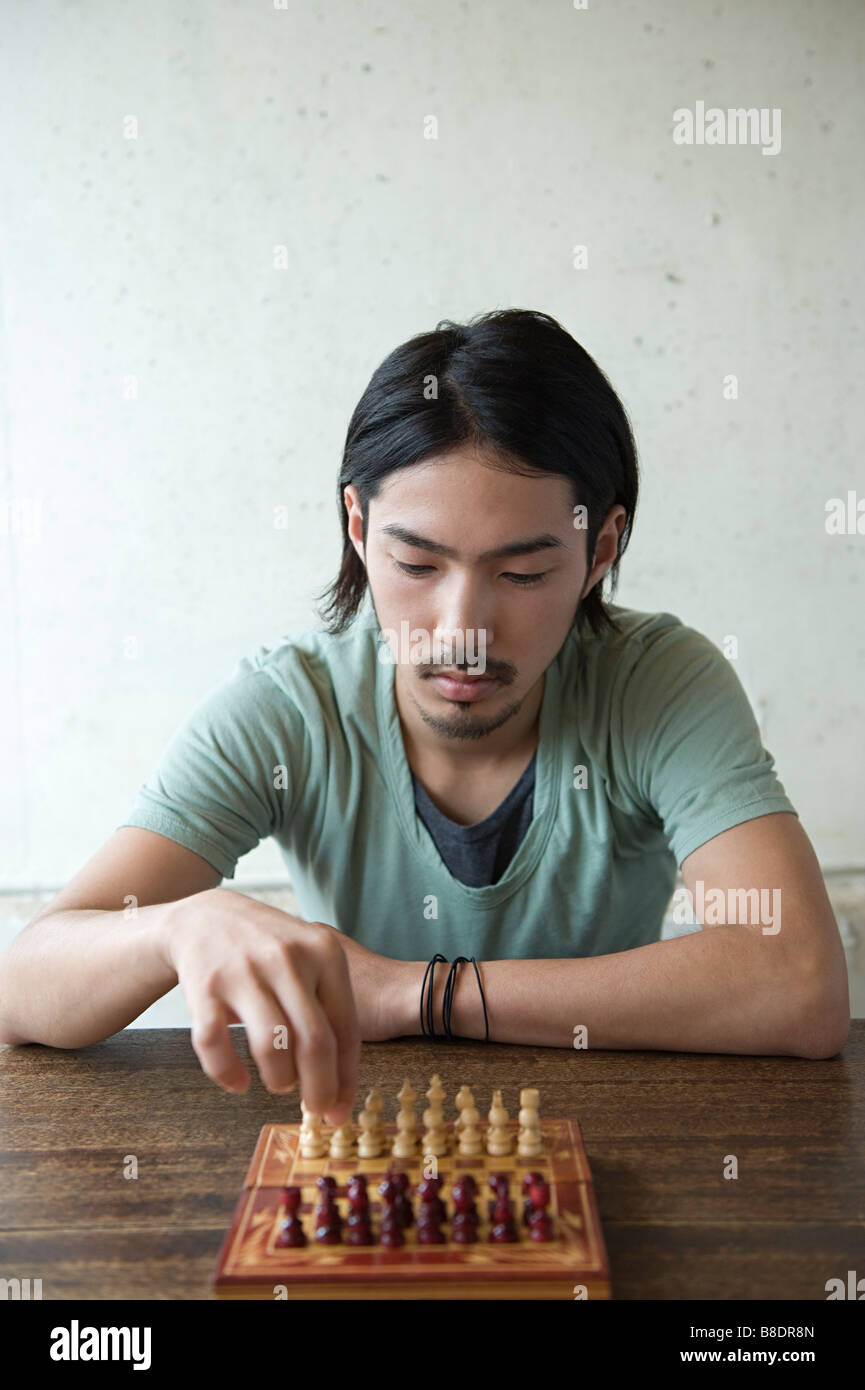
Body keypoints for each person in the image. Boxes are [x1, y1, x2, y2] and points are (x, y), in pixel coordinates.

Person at [0, 309, 849, 1123]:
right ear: (358, 528)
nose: (463, 633)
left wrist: (411, 992)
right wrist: (180, 925)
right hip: (363, 1147)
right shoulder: (289, 710)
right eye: (416, 562)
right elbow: (21, 989)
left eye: (520, 575)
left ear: (600, 551)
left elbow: (796, 981)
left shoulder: (657, 682)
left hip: (610, 1144)